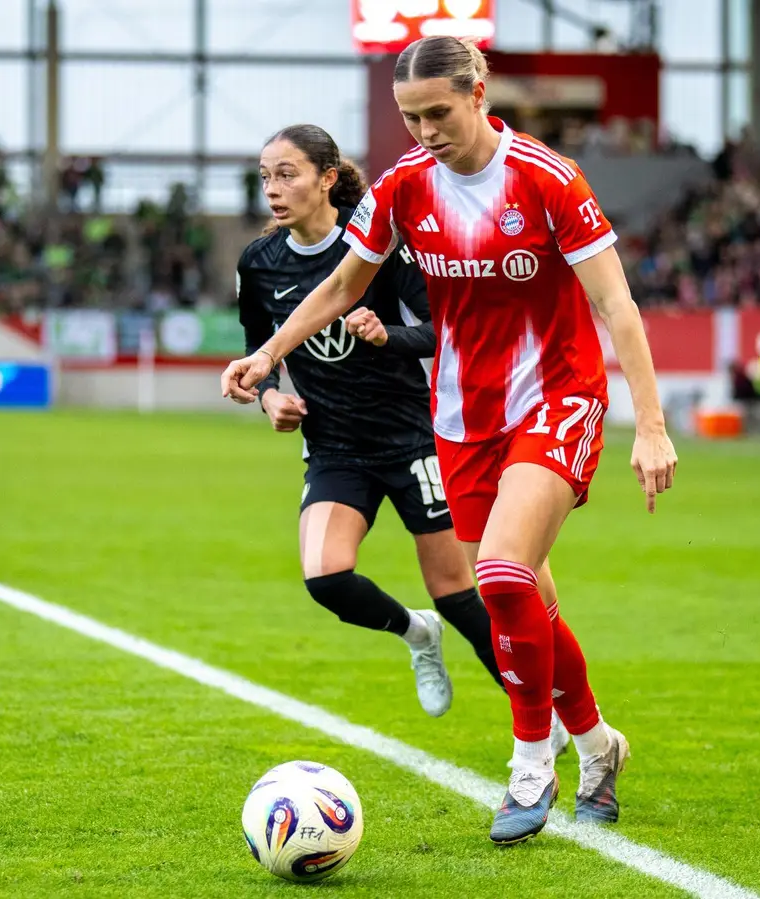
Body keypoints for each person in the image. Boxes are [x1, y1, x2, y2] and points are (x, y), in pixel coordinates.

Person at [222, 36, 675, 844]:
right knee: (528, 595)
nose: (425, 130)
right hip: (465, 416)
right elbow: (338, 286)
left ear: (478, 92)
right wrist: (266, 357)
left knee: (497, 575)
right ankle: (600, 746)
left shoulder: (547, 179)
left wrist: (652, 425)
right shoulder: (403, 188)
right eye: (409, 118)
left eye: (438, 112)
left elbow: (616, 306)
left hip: (559, 396)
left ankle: (531, 763)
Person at [238, 123, 569, 741]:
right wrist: (269, 396)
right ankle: (417, 633)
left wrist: (389, 335)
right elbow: (259, 349)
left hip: (416, 437)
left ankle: (539, 718)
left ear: (328, 180)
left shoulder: (381, 248)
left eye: (287, 175)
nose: (273, 190)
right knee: (326, 579)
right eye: (265, 178)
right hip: (336, 446)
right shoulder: (259, 263)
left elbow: (450, 329)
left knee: (459, 591)